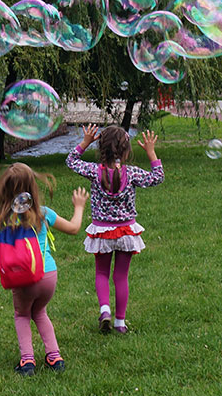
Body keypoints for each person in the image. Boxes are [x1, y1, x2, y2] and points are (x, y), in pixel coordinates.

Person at [0, 162, 89, 376]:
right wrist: (79, 207)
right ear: (32, 190)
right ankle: (54, 357)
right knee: (40, 311)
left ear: (5, 192)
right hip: (48, 276)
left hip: (24, 277)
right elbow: (74, 228)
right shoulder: (44, 214)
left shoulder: (1, 221)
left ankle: (27, 361)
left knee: (22, 315)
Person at [66, 124, 164, 334]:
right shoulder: (133, 173)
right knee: (121, 277)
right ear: (126, 151)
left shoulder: (94, 171)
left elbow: (71, 161)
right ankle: (120, 323)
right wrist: (151, 152)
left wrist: (85, 142)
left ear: (101, 148)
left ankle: (104, 310)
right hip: (126, 232)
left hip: (102, 232)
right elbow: (157, 177)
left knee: (101, 273)